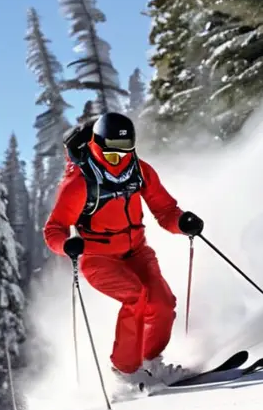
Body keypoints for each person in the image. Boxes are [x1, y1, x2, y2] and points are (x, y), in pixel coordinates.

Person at [43, 112, 204, 393]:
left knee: (163, 303)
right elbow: (54, 228)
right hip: (97, 257)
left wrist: (182, 223)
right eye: (113, 157)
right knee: (135, 296)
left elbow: (165, 210)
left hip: (136, 251)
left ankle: (150, 361)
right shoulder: (80, 183)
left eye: (126, 153)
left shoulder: (141, 171)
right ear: (97, 146)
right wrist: (66, 245)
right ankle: (125, 370)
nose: (121, 162)